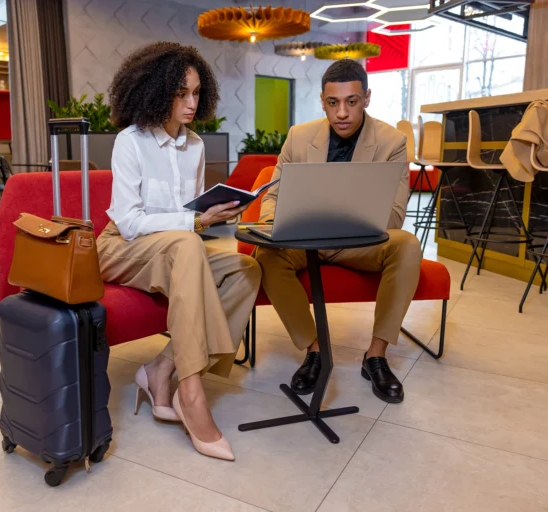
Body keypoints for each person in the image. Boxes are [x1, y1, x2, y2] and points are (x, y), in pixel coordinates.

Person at [99, 42, 261, 461]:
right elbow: (131, 221)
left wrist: (214, 211)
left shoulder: (194, 146)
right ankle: (191, 392)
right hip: (121, 246)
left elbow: (188, 213)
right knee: (189, 239)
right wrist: (195, 223)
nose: (191, 103)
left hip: (173, 247)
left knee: (245, 268)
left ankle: (161, 369)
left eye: (195, 93)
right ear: (155, 92)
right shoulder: (130, 142)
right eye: (181, 94)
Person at [255, 59, 421, 404]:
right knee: (265, 253)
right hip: (305, 239)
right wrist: (277, 225)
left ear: (367, 98)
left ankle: (375, 355)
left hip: (357, 242)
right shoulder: (299, 137)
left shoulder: (392, 142)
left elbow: (394, 216)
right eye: (333, 103)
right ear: (322, 101)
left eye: (352, 101)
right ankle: (315, 351)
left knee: (406, 245)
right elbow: (273, 195)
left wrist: (352, 217)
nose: (342, 112)